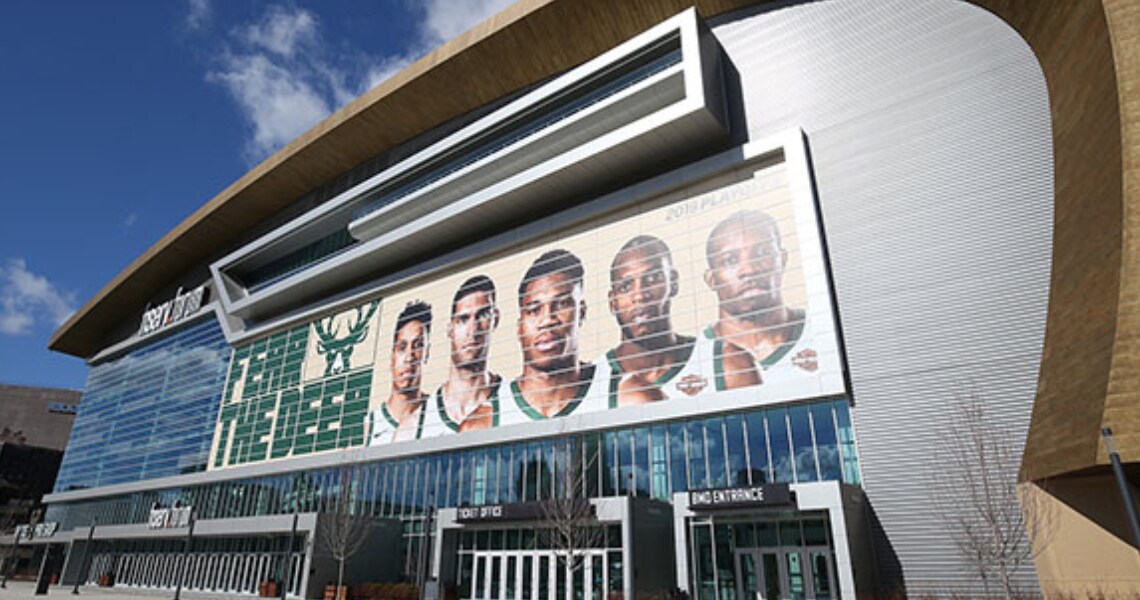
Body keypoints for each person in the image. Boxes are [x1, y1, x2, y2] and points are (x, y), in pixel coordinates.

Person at [601, 236, 759, 406]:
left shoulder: (728, 364)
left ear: (673, 283)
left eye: (653, 278)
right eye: (625, 287)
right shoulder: (591, 381)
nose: (639, 295)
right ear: (613, 302)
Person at [703, 210, 818, 383]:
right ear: (711, 280)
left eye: (763, 252)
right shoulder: (693, 355)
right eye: (730, 260)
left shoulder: (821, 330)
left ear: (783, 260)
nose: (749, 270)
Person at [504, 249, 607, 422]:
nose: (547, 320)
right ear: (519, 327)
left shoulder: (628, 396)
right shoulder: (484, 421)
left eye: (561, 304)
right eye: (534, 310)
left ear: (581, 312)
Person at [431, 275, 502, 432]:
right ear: (450, 329)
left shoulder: (510, 402)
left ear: (495, 319)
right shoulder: (416, 423)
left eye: (482, 316)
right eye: (463, 319)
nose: (473, 330)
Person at [369, 301, 431, 444]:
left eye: (418, 346)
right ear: (392, 356)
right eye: (402, 347)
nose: (409, 357)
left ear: (427, 353)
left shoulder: (435, 414)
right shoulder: (371, 424)